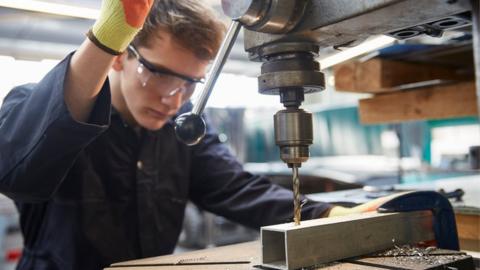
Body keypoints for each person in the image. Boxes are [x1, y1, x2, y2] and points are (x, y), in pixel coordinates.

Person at [0, 1, 395, 269]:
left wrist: (327, 213)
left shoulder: (181, 129)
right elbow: (17, 173)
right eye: (158, 74)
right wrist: (105, 38)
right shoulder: (37, 106)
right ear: (120, 56)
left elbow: (237, 190)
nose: (175, 98)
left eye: (191, 83)